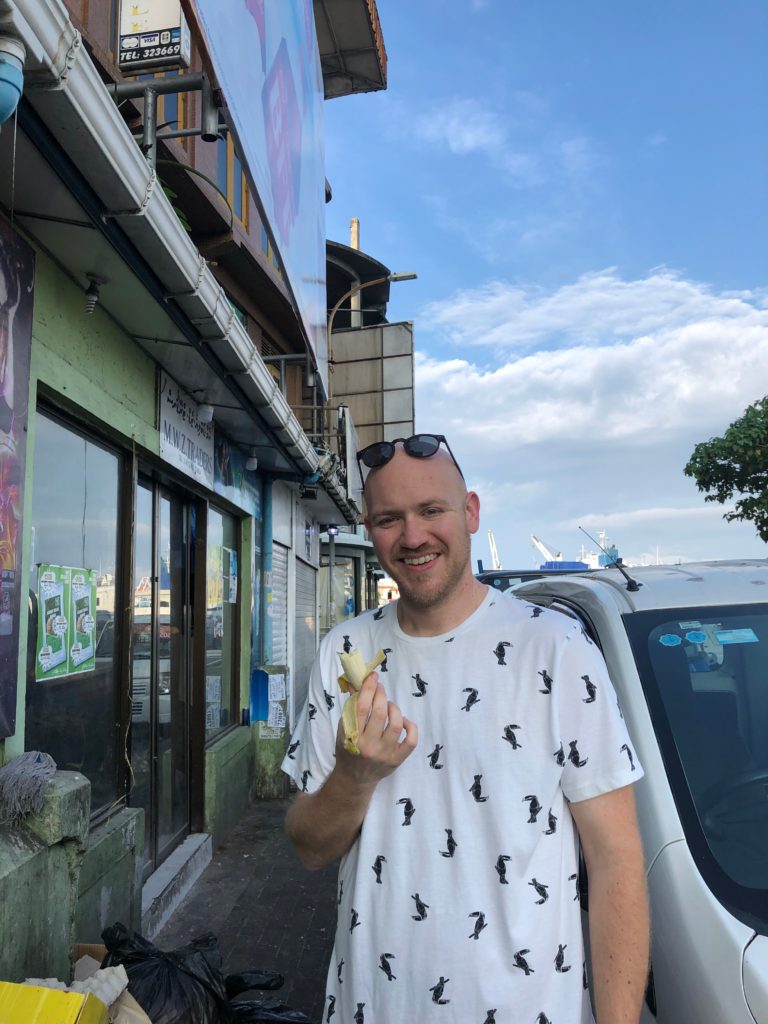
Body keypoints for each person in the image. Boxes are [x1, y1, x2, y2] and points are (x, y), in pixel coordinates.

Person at [282, 434, 649, 1024]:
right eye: (388, 518)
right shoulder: (343, 652)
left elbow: (617, 861)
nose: (413, 537)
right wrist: (354, 776)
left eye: (431, 510)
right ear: (370, 530)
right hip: (373, 1006)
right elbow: (308, 848)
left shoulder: (557, 650)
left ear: (471, 512)